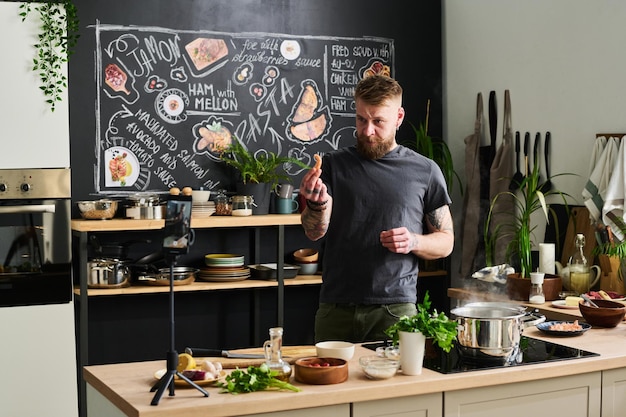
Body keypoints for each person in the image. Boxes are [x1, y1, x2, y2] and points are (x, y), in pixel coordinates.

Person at [299, 75, 454, 343]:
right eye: (361, 120)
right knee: (329, 385)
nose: (367, 131)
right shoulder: (333, 166)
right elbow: (314, 232)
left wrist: (413, 241)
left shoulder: (425, 171)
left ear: (399, 117)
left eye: (378, 121)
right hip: (336, 308)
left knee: (396, 385)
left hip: (395, 310)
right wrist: (317, 203)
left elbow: (446, 242)